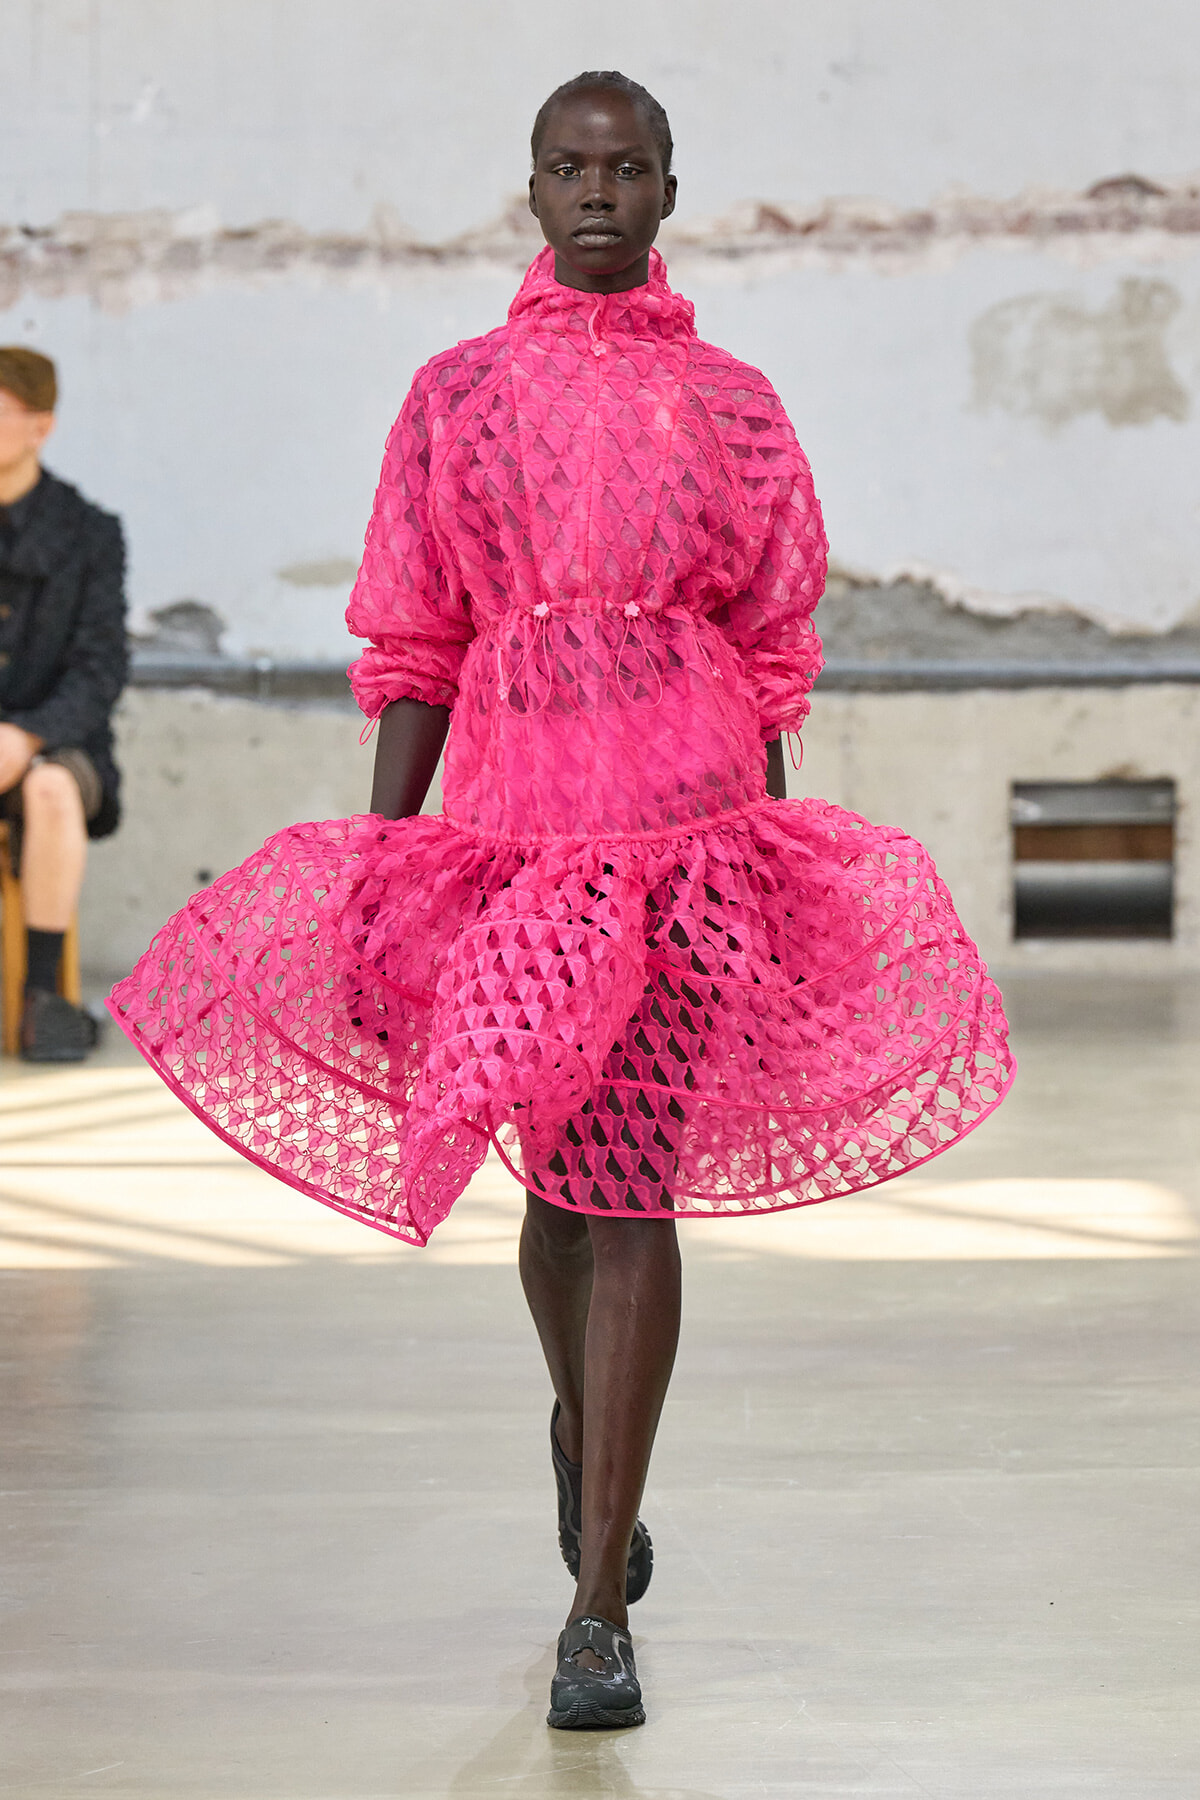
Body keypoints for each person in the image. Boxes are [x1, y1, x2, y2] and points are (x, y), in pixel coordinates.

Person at [110, 74, 1014, 1729]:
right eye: (570, 167)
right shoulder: (454, 399)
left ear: (673, 190)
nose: (599, 191)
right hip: (516, 833)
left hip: (687, 827)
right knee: (553, 1189)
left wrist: (778, 859)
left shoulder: (733, 406)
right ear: (529, 190)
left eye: (630, 167)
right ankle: (585, 1433)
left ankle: (596, 1603)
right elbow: (415, 636)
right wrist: (383, 863)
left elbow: (769, 640)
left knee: (628, 1183)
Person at [0, 348, 127, 1061]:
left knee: (51, 790)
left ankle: (43, 998)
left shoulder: (89, 532)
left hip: (56, 740)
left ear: (40, 425)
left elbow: (101, 665)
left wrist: (24, 736)